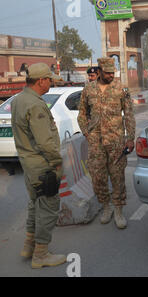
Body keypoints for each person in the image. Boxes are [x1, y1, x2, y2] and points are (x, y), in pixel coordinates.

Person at [11, 63, 66, 269]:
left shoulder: (19, 100)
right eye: (49, 79)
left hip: (28, 164)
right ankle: (41, 254)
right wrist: (57, 162)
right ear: (41, 81)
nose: (51, 83)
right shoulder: (35, 104)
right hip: (42, 165)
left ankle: (28, 245)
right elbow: (44, 142)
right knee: (48, 207)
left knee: (35, 203)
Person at [77, 58, 136, 229]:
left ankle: (118, 210)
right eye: (108, 72)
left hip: (116, 140)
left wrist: (130, 137)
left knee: (117, 176)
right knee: (98, 177)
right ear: (100, 71)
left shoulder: (121, 88)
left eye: (113, 72)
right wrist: (86, 132)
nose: (111, 75)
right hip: (95, 141)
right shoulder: (88, 89)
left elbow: (129, 114)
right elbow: (82, 113)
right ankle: (106, 207)